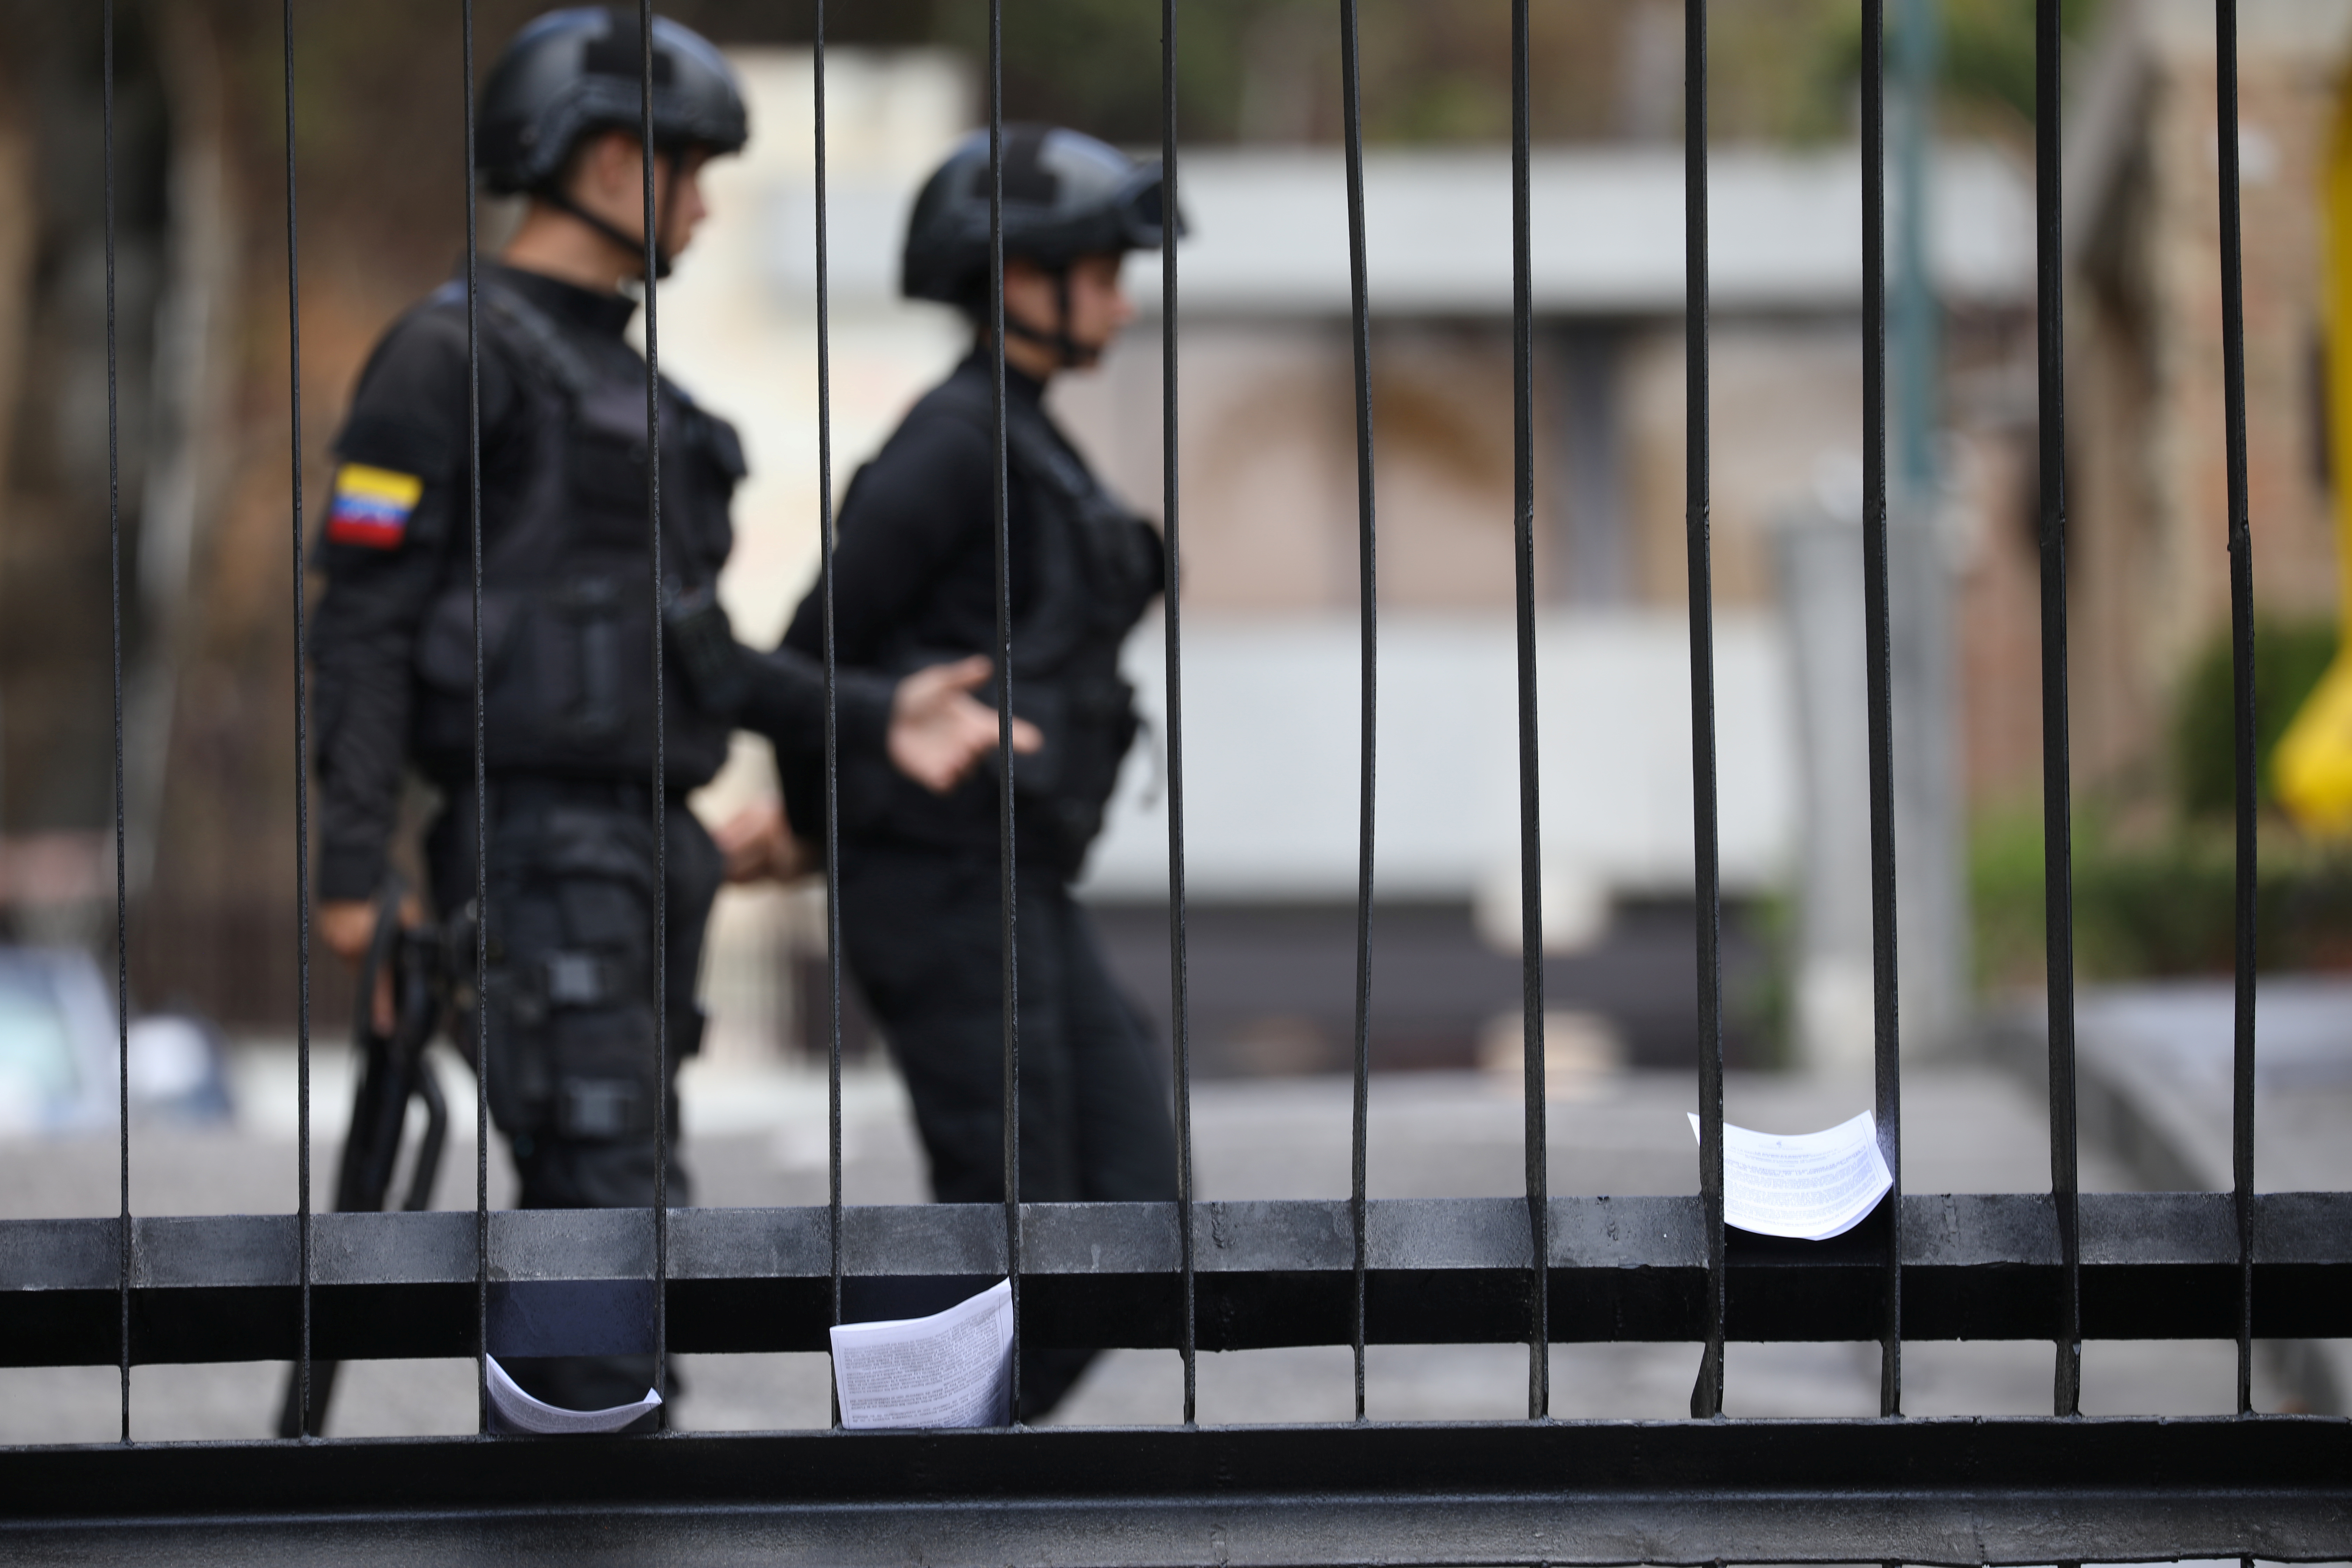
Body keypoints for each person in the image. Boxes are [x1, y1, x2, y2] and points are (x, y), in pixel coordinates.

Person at [307, 7, 1016, 1422]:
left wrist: (879, 716)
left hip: (649, 855)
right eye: (685, 167)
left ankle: (617, 1459)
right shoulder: (446, 361)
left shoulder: (645, 403)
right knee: (599, 1192)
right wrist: (349, 871)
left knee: (635, 1196)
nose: (701, 200)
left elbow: (695, 661)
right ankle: (595, 1489)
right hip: (538, 855)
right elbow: (364, 621)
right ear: (606, 160)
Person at [730, 124, 1184, 1420]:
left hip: (1021, 882)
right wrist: (827, 830)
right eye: (1096, 266)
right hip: (935, 892)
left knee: (1131, 1205)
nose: (1119, 292)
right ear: (1013, 275)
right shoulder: (952, 441)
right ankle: (902, 1466)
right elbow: (812, 652)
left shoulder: (1029, 438)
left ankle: (935, 1450)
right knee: (1012, 1234)